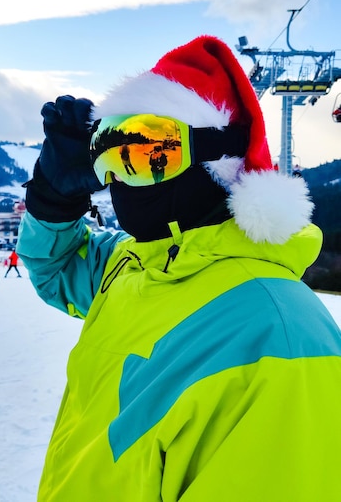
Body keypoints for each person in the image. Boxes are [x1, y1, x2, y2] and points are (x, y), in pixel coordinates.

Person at [17, 35, 341, 501]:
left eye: (150, 154)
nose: (123, 180)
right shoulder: (135, 266)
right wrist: (53, 198)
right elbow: (57, 268)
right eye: (113, 157)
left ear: (218, 163)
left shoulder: (279, 333)